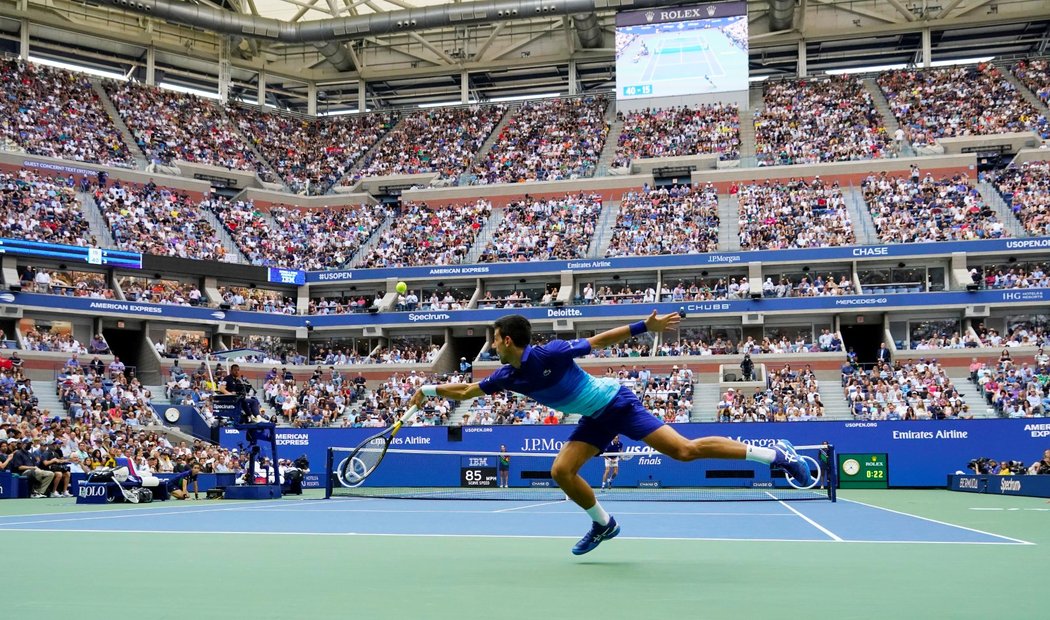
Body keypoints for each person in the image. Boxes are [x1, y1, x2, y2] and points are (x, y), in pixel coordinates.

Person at [407, 312, 814, 555]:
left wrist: (645, 326)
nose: (490, 345)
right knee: (561, 472)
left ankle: (776, 455)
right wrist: (426, 390)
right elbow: (464, 389)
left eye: (493, 339)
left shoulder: (550, 353)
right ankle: (603, 524)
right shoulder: (504, 377)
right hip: (591, 420)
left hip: (617, 404)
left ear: (507, 339)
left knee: (685, 452)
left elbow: (599, 340)